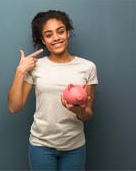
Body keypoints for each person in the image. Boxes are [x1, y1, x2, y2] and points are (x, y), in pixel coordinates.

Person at [8, 10, 98, 171]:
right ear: (43, 40)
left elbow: (88, 114)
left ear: (67, 33)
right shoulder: (36, 67)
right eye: (48, 35)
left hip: (74, 147)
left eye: (60, 31)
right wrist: (20, 71)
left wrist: (79, 110)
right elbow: (14, 107)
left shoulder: (87, 67)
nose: (56, 38)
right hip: (41, 146)